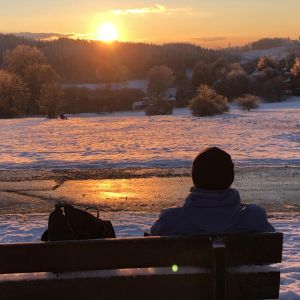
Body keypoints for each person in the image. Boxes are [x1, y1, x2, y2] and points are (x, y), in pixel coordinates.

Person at [150, 147, 275, 236]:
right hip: (237, 273)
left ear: (195, 177)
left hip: (188, 273)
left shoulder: (171, 220)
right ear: (230, 178)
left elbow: (153, 249)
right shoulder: (255, 217)